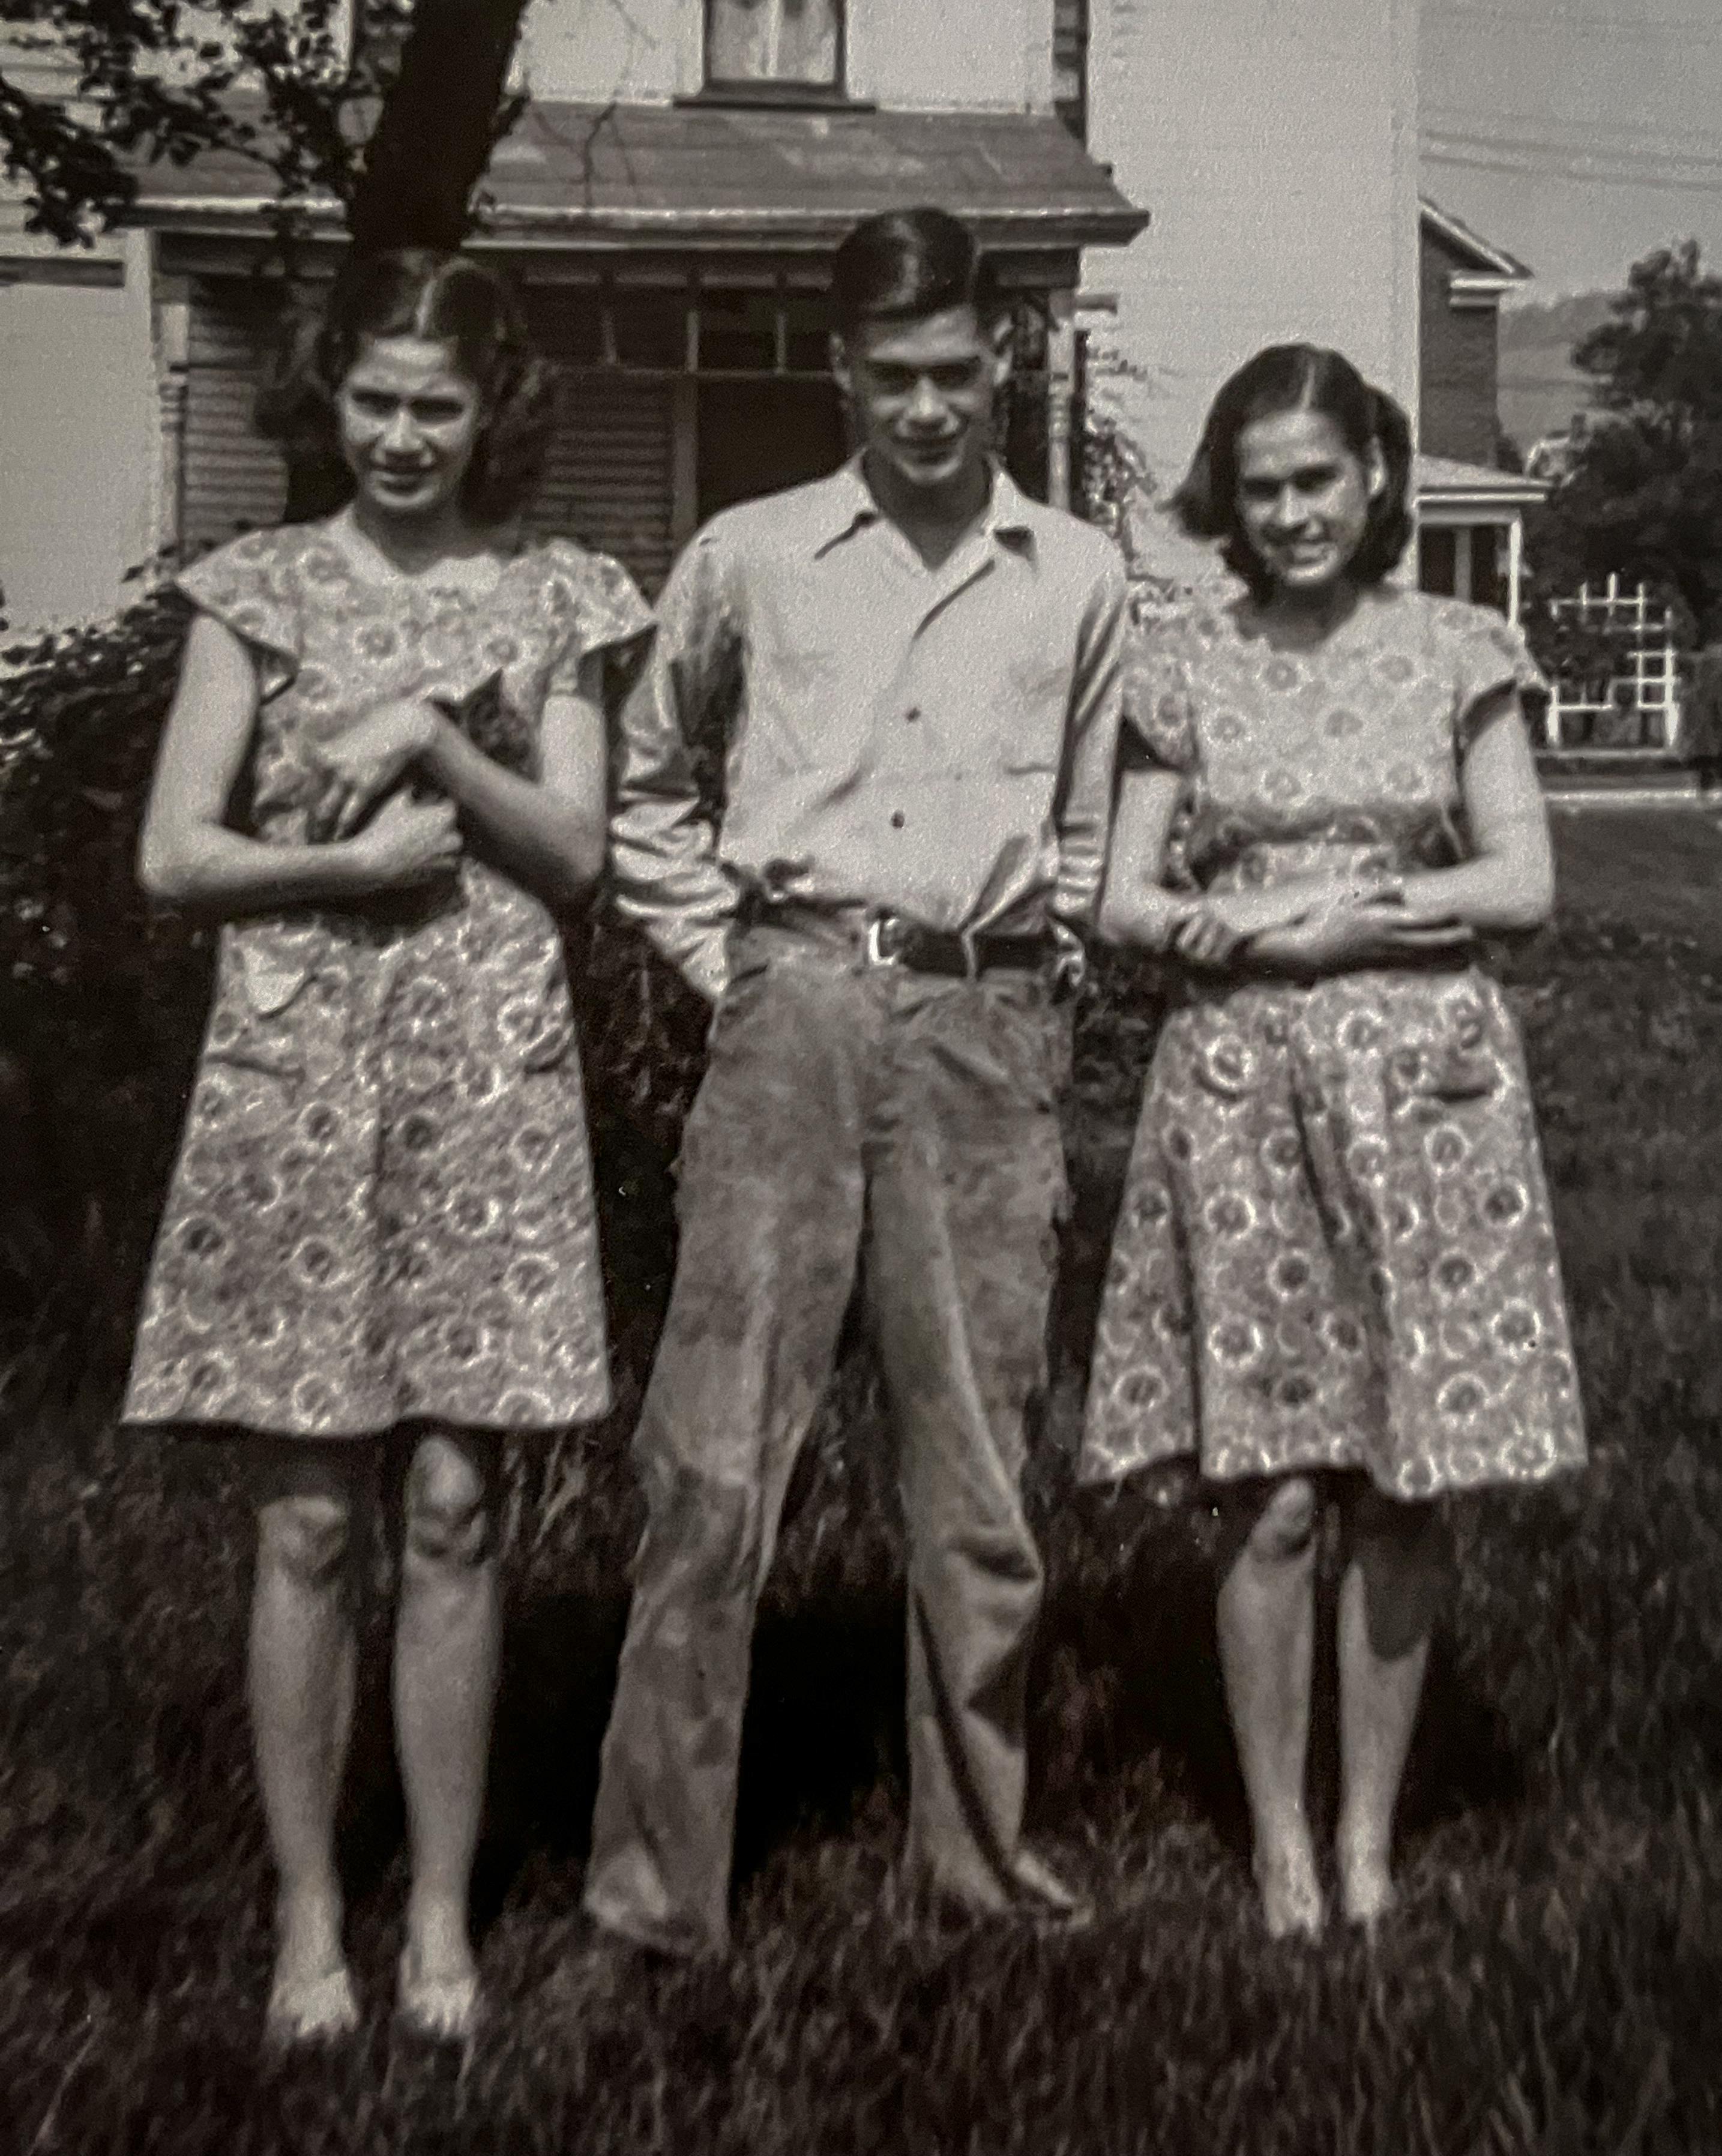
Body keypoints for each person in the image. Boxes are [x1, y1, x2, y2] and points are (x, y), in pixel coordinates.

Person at [585, 205, 1132, 1956]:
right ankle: (656, 1890)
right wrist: (735, 966)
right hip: (796, 1012)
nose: (928, 409)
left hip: (987, 1023)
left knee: (979, 1468)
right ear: (840, 371)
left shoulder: (1078, 574)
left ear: (1005, 359)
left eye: (955, 372)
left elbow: (1086, 824)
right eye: (893, 377)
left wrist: (1038, 990)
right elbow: (645, 788)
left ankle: (975, 1858)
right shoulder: (749, 556)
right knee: (712, 1463)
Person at [123, 248, 654, 2046]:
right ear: (328, 396)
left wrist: (437, 736)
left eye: (439, 404)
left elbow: (576, 858)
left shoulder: (561, 595)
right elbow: (174, 857)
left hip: (485, 1079)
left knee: (453, 1506)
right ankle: (305, 1923)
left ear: (492, 410)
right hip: (296, 1088)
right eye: (376, 400)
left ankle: (437, 1919)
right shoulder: (255, 591)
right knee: (303, 1519)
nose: (406, 436)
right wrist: (346, 867)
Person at [1079, 345, 1586, 1941]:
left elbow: (1522, 883)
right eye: (1262, 489)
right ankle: (1280, 1846)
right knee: (1275, 1489)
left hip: (1426, 1099)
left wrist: (1350, 913)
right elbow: (1121, 897)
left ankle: (1371, 1838)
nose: (1293, 514)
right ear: (1227, 503)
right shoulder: (1184, 662)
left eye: (1318, 480)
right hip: (1240, 1086)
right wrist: (1239, 936)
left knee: (1401, 1483)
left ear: (1377, 477)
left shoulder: (1457, 650)